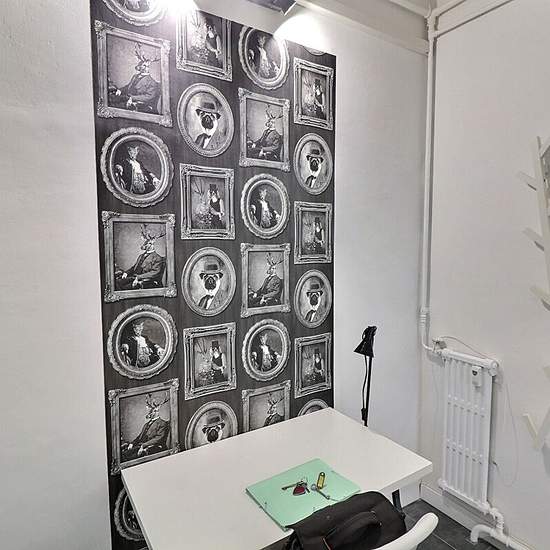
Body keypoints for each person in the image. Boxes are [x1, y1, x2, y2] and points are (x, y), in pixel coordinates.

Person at [110, 43, 161, 114]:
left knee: (116, 107)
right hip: (127, 98)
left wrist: (133, 98)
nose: (144, 67)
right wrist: (120, 90)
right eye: (143, 65)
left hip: (139, 104)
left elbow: (149, 96)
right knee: (111, 99)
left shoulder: (152, 82)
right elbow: (128, 86)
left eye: (145, 66)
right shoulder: (135, 76)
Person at [115, 224, 166, 291]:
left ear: (152, 244)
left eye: (146, 243)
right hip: (134, 277)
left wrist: (139, 278)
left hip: (144, 280)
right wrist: (126, 273)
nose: (144, 245)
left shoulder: (157, 258)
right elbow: (134, 267)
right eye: (144, 243)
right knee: (117, 283)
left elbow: (154, 273)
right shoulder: (141, 256)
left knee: (124, 288)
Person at [122, 393, 170, 461]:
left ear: (156, 411)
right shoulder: (146, 424)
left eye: (151, 411)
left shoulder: (162, 423)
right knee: (124, 454)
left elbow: (158, 439)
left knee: (130, 458)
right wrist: (132, 443)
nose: (148, 414)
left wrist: (144, 445)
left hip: (152, 448)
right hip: (140, 446)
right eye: (149, 412)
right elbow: (139, 437)